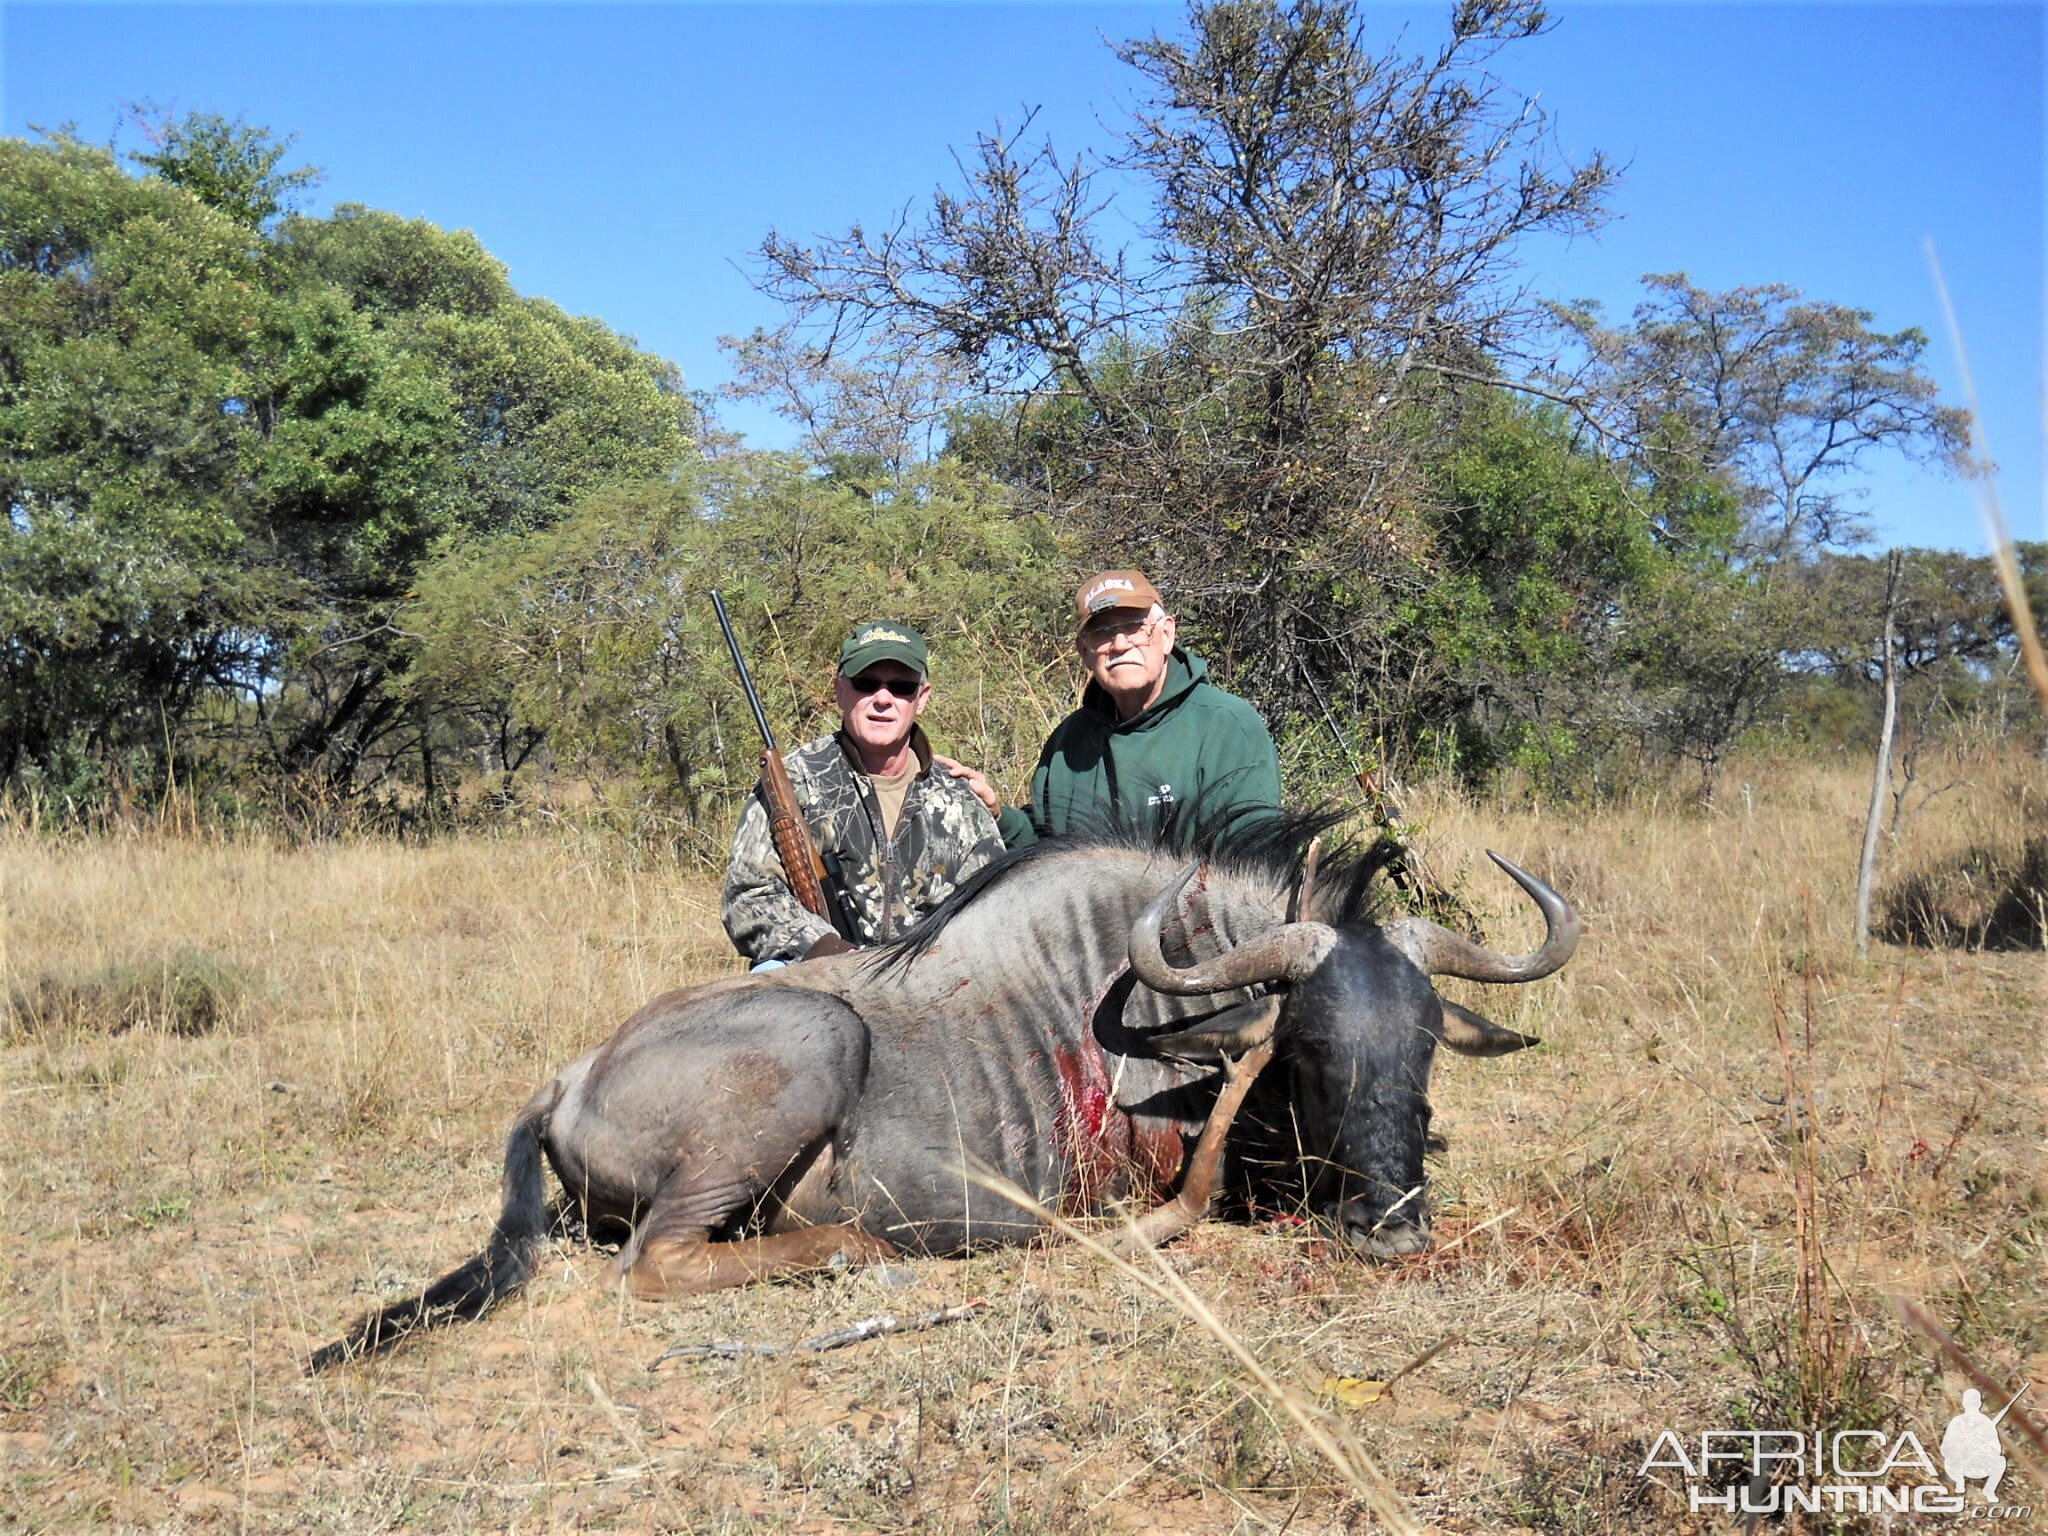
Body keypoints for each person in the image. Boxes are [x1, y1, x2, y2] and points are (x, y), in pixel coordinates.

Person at [722, 620, 1005, 967]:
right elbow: (748, 896)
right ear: (840, 691)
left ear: (922, 698)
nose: (883, 700)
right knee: (768, 980)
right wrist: (826, 950)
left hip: (928, 979)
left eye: (901, 687)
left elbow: (994, 908)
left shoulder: (957, 796)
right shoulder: (796, 782)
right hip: (816, 971)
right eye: (866, 684)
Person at [945, 569, 1282, 846]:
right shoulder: (1068, 742)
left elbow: (1250, 861)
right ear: (1085, 651)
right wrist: (998, 815)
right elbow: (1045, 850)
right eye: (1103, 633)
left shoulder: (1227, 726)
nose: (1120, 645)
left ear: (1167, 635)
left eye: (1135, 627)